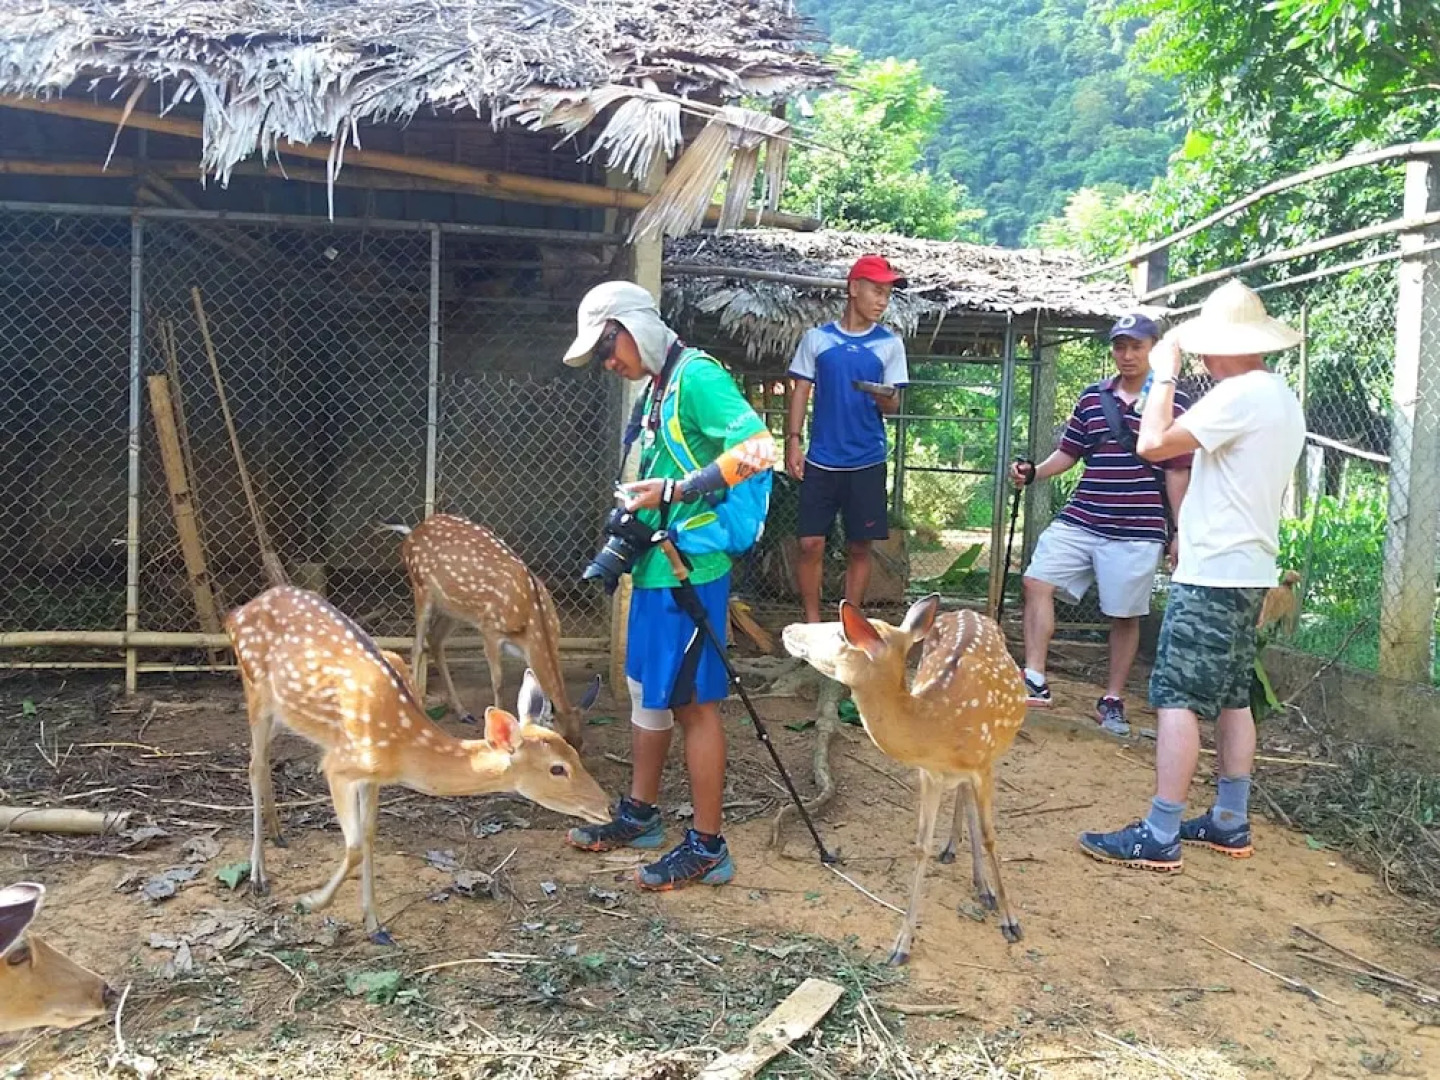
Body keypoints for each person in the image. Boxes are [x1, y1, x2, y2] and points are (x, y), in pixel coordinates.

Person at [1078, 279, 1306, 872]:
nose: (1202, 356)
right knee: (1234, 696)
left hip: (1213, 572)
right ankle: (1229, 819)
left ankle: (1160, 832)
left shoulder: (1238, 395)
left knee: (1175, 695)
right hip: (1249, 567)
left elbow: (1151, 444)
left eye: (1207, 346)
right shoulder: (1280, 395)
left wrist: (1163, 376)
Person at [559, 280, 777, 890]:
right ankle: (641, 813)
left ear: (630, 326)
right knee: (645, 691)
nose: (608, 364)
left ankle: (708, 845)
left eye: (607, 350)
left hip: (692, 572)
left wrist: (677, 493)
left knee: (693, 703)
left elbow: (760, 450)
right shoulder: (657, 389)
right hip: (657, 566)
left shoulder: (699, 378)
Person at [1011, 313, 1193, 735]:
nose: (1127, 355)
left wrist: (1179, 531)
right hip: (1084, 515)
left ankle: (1112, 698)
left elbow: (1177, 471)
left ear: (1153, 349)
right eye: (1120, 346)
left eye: (1137, 347)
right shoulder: (1093, 399)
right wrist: (1035, 472)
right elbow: (1069, 452)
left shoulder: (1172, 402)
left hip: (1139, 524)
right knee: (1037, 580)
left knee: (1124, 615)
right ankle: (1034, 678)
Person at [785, 255, 909, 623]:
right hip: (822, 459)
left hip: (867, 460)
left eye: (887, 293)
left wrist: (884, 396)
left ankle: (849, 624)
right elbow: (800, 390)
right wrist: (793, 440)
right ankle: (811, 624)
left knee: (860, 546)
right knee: (810, 544)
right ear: (854, 289)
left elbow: (894, 405)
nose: (882, 300)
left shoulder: (890, 344)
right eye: (876, 290)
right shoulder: (817, 339)